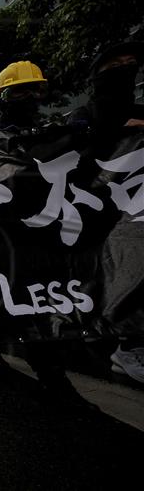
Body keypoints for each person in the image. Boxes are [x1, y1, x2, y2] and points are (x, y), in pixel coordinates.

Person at [68, 42, 144, 384]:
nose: (126, 68)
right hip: (97, 216)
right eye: (116, 65)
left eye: (131, 63)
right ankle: (123, 345)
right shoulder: (82, 119)